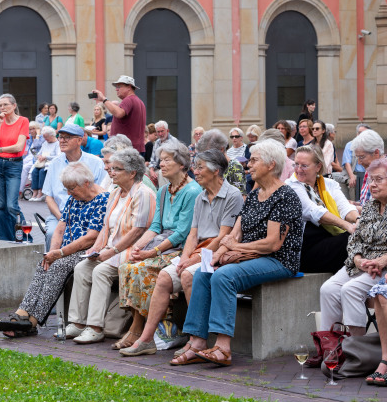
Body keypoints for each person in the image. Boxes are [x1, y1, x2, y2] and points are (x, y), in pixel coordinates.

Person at [171, 139, 303, 367]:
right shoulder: (254, 195)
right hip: (251, 257)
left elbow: (272, 244)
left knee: (224, 276)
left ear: (271, 165)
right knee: (203, 273)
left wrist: (235, 248)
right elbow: (235, 234)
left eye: (254, 160)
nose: (248, 165)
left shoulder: (285, 196)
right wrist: (217, 254)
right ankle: (197, 341)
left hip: (277, 260)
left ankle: (223, 348)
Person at [118, 149, 243, 356]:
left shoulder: (232, 195)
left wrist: (191, 259)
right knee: (166, 276)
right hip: (197, 250)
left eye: (200, 167)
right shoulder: (201, 195)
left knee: (187, 275)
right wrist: (185, 257)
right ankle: (146, 338)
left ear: (216, 171)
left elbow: (223, 237)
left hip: (217, 252)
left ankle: (197, 339)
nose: (196, 171)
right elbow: (192, 235)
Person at [0, 163, 110, 336]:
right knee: (44, 264)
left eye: (71, 188)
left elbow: (91, 238)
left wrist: (61, 253)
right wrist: (52, 253)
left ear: (86, 183)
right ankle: (22, 314)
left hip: (87, 251)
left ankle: (32, 322)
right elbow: (60, 228)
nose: (69, 193)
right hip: (67, 250)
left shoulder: (102, 199)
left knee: (58, 266)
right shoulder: (75, 198)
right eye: (67, 189)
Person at [116, 141, 202, 350]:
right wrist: (139, 248)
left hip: (180, 248)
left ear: (182, 164)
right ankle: (139, 327)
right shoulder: (163, 190)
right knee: (127, 265)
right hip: (161, 243)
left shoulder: (192, 191)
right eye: (160, 160)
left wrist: (151, 253)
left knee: (141, 269)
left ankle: (138, 329)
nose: (161, 164)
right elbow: (155, 226)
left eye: (167, 160)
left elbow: (182, 232)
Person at [66, 148, 156, 344]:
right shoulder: (115, 194)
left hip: (132, 250)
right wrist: (95, 249)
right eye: (111, 168)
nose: (111, 172)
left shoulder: (143, 193)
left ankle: (95, 327)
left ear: (132, 173)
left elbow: (138, 231)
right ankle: (77, 322)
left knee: (101, 271)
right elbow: (106, 227)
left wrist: (112, 251)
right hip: (110, 250)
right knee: (82, 267)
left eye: (117, 169)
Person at [320, 157, 387, 336]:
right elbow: (355, 239)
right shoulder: (370, 207)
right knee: (328, 289)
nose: (373, 184)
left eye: (379, 179)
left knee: (350, 290)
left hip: (382, 267)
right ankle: (330, 346)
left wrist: (383, 260)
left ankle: (356, 349)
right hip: (363, 263)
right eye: (371, 179)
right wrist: (357, 260)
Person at [286, 145, 357, 273]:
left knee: (361, 236)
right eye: (296, 164)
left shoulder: (329, 184)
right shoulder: (291, 186)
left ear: (318, 166)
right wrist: (348, 226)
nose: (298, 169)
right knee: (351, 239)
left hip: (328, 241)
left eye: (304, 165)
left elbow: (344, 208)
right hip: (305, 250)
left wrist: (358, 221)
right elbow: (315, 212)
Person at [42, 124, 107, 248]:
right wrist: (62, 218)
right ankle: (50, 262)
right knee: (51, 233)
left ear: (79, 140)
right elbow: (49, 197)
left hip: (89, 216)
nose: (62, 140)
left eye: (67, 137)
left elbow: (101, 194)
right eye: (60, 137)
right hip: (59, 215)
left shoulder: (96, 163)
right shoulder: (54, 163)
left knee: (85, 236)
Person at [0, 93, 29, 241]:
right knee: (0, 205)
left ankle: (26, 236)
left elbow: (19, 147)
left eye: (6, 104)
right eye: (0, 105)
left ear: (14, 105)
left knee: (12, 205)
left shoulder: (23, 121)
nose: (2, 107)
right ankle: (7, 238)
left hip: (13, 165)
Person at [92, 75, 147, 155]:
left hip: (126, 150)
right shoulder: (139, 102)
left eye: (119, 86)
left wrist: (104, 99)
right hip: (133, 149)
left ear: (129, 87)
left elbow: (119, 113)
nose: (116, 89)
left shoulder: (128, 100)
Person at [196, 129, 247, 195]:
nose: (206, 158)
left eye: (209, 154)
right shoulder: (208, 166)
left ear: (221, 149)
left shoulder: (234, 167)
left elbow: (240, 198)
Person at [351, 129, 385, 207]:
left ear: (376, 153)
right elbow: (367, 202)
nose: (359, 162)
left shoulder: (383, 173)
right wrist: (355, 204)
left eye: (361, 157)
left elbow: (378, 211)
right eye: (357, 157)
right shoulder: (370, 168)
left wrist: (353, 209)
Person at [28, 126, 59, 202]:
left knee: (42, 172)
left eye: (46, 137)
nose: (45, 139)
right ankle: (34, 193)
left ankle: (40, 193)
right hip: (42, 163)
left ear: (52, 135)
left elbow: (58, 156)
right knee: (35, 171)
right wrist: (39, 156)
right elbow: (40, 153)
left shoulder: (57, 144)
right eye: (44, 137)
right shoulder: (45, 143)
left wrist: (46, 157)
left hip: (50, 163)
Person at [148, 120, 179, 186]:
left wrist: (159, 170)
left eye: (162, 131)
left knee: (161, 173)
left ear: (167, 131)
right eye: (158, 132)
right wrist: (151, 170)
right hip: (157, 168)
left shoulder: (174, 141)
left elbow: (176, 160)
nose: (160, 134)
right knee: (145, 171)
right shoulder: (157, 142)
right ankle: (150, 194)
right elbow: (152, 160)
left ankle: (164, 194)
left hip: (169, 168)